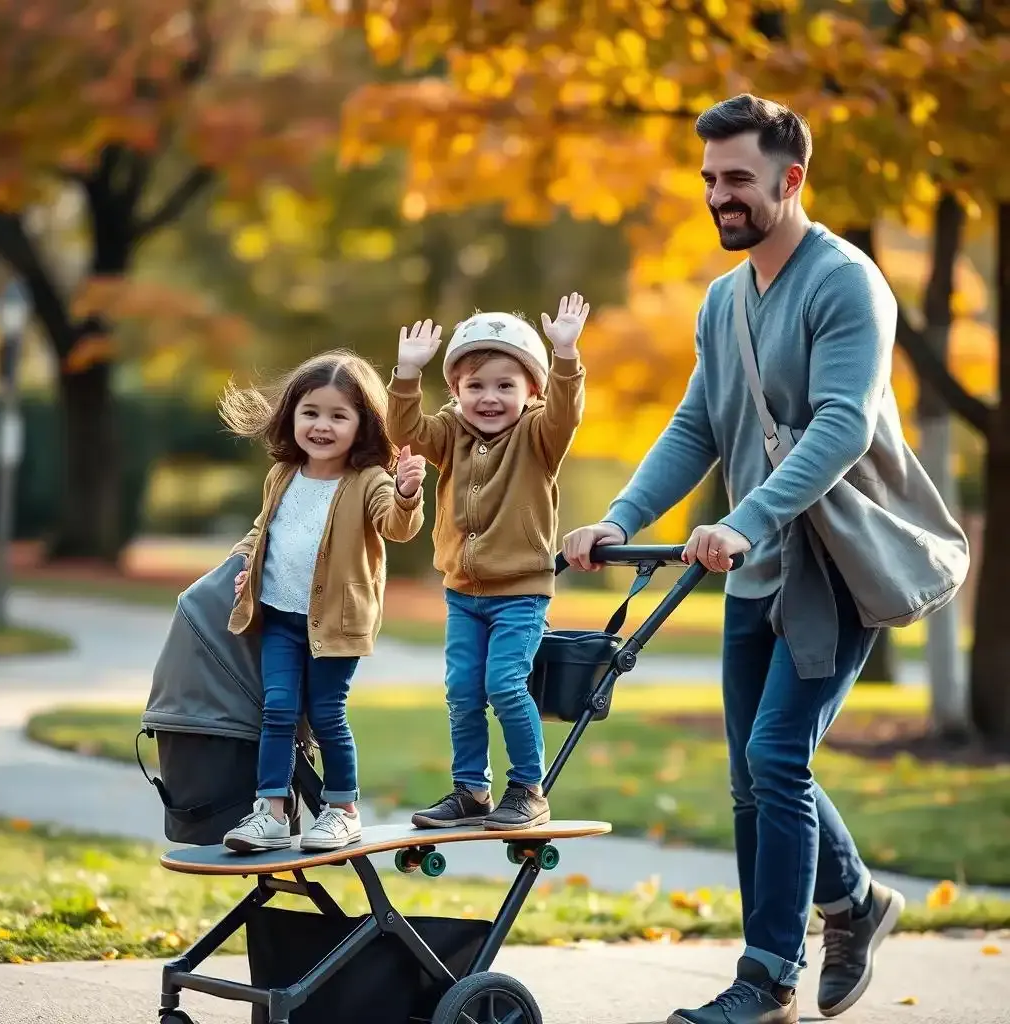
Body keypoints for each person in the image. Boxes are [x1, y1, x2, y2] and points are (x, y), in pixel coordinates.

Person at [563, 96, 910, 1024]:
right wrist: (620, 518)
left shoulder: (846, 282)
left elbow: (843, 423)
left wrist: (746, 521)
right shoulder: (723, 299)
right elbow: (696, 426)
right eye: (710, 179)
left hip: (829, 565)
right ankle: (857, 903)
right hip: (750, 563)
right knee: (749, 773)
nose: (718, 195)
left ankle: (766, 982)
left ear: (790, 181)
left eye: (738, 181)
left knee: (775, 758)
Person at [387, 295, 588, 831]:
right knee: (463, 691)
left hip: (519, 592)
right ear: (456, 391)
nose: (490, 397)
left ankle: (528, 788)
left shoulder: (539, 437)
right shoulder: (449, 434)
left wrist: (565, 355)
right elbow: (405, 432)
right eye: (475, 385)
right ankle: (471, 790)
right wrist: (407, 373)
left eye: (506, 385)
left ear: (532, 391)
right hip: (462, 592)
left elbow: (568, 410)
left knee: (504, 684)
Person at [218, 350, 426, 854]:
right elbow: (262, 528)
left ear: (364, 425)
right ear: (292, 415)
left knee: (327, 712)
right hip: (280, 618)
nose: (322, 426)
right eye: (311, 412)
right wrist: (242, 559)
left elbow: (398, 528)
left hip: (337, 621)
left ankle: (341, 810)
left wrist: (406, 493)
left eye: (339, 416)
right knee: (278, 710)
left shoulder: (369, 481)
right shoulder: (283, 475)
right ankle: (271, 812)